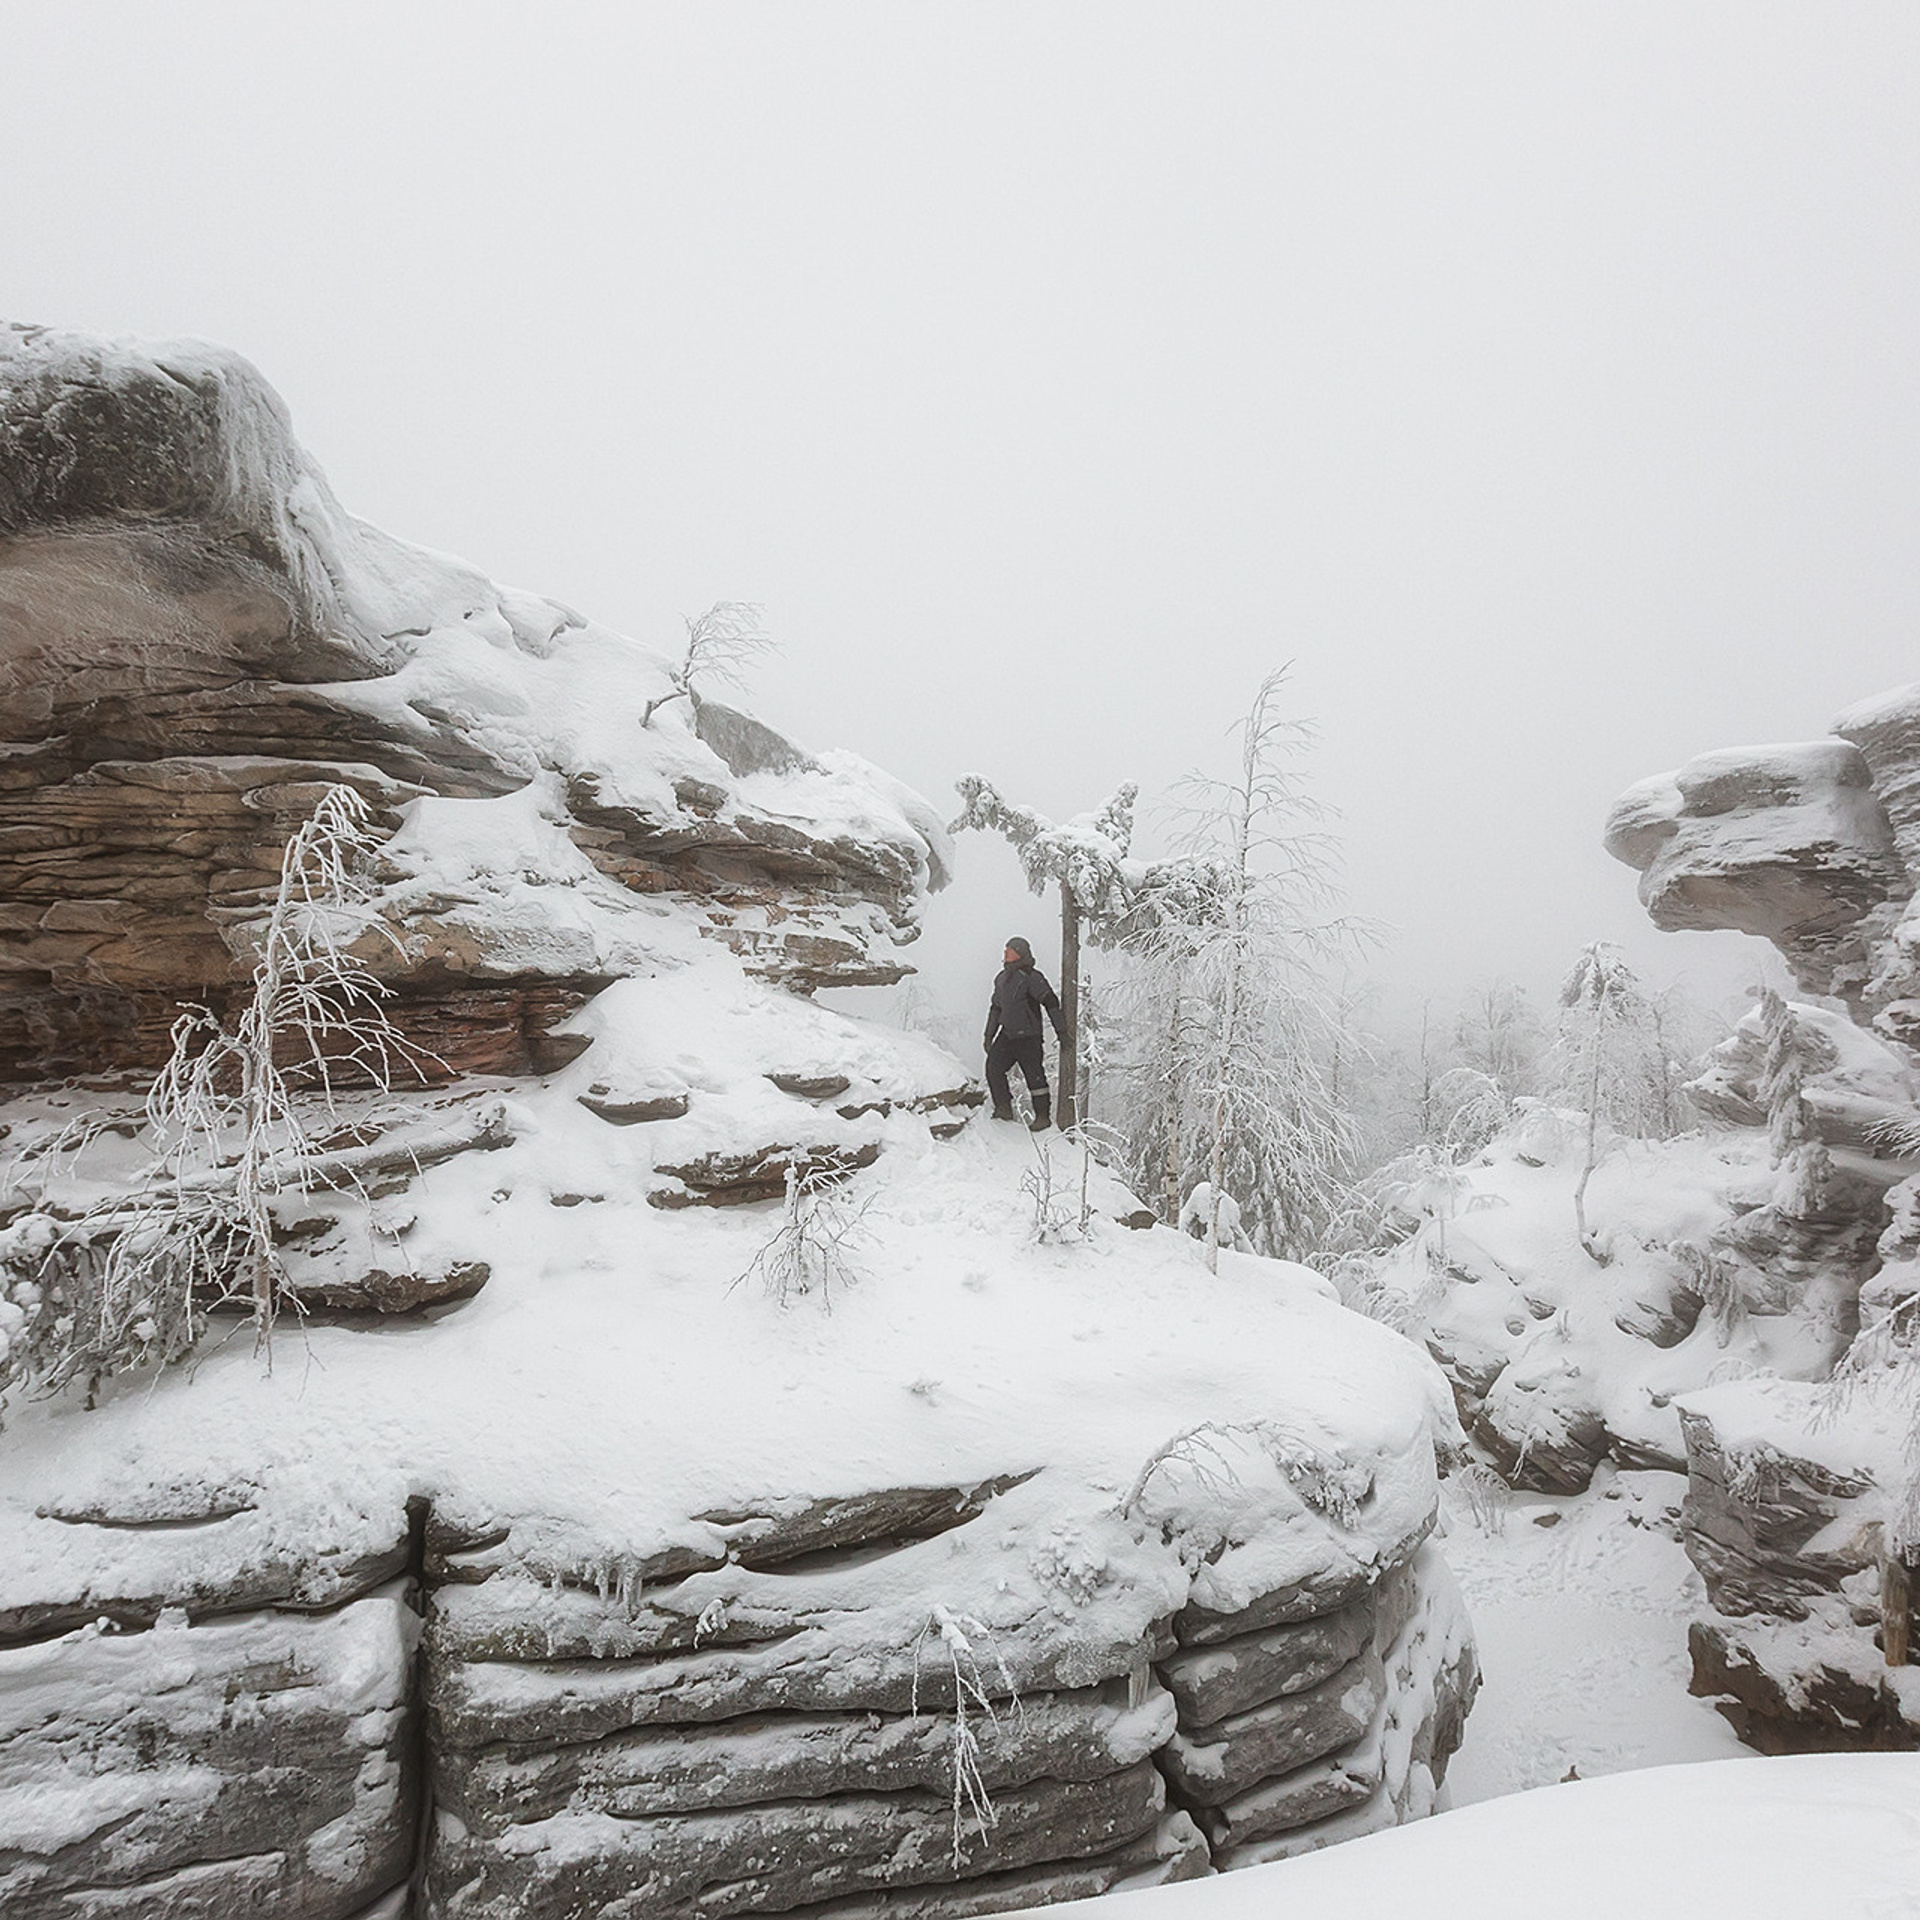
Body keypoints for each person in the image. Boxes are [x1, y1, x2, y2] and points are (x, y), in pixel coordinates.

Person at [984, 935, 1068, 1130]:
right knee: (993, 1068)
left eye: (1009, 950)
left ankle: (1042, 1118)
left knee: (1034, 1076)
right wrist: (988, 1035)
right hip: (1007, 1035)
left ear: (1020, 953)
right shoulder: (1001, 979)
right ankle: (1003, 1108)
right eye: (1005, 950)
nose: (1005, 953)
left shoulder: (1032, 977)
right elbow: (995, 1008)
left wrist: (1061, 1031)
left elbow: (1050, 1002)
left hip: (1029, 1036)